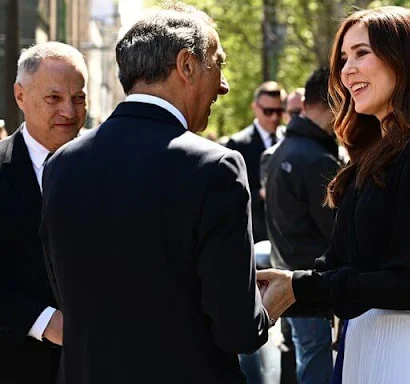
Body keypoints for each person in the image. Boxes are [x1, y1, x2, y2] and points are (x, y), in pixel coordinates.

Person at [39, 4, 270, 383]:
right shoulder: (216, 168)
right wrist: (268, 305)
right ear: (187, 65)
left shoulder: (61, 164)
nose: (224, 85)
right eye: (218, 63)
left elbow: (72, 298)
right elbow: (238, 330)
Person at [258, 7, 410, 383]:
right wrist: (283, 285)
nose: (347, 70)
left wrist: (298, 287)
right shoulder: (369, 155)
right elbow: (341, 266)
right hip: (362, 346)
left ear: (404, 58)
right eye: (344, 58)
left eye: (362, 53)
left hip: (408, 355)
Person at [0, 41, 86, 384]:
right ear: (20, 96)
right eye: (54, 98)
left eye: (78, 98)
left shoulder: (114, 168)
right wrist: (41, 320)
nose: (69, 111)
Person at [265, 67, 339, 384]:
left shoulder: (284, 149)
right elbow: (336, 231)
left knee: (307, 356)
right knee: (315, 359)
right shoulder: (317, 159)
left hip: (291, 273)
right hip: (308, 280)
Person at [226, 81, 286, 242]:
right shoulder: (238, 144)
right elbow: (230, 195)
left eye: (279, 111)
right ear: (255, 107)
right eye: (268, 111)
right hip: (255, 232)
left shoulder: (289, 140)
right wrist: (260, 194)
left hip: (287, 235)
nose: (274, 117)